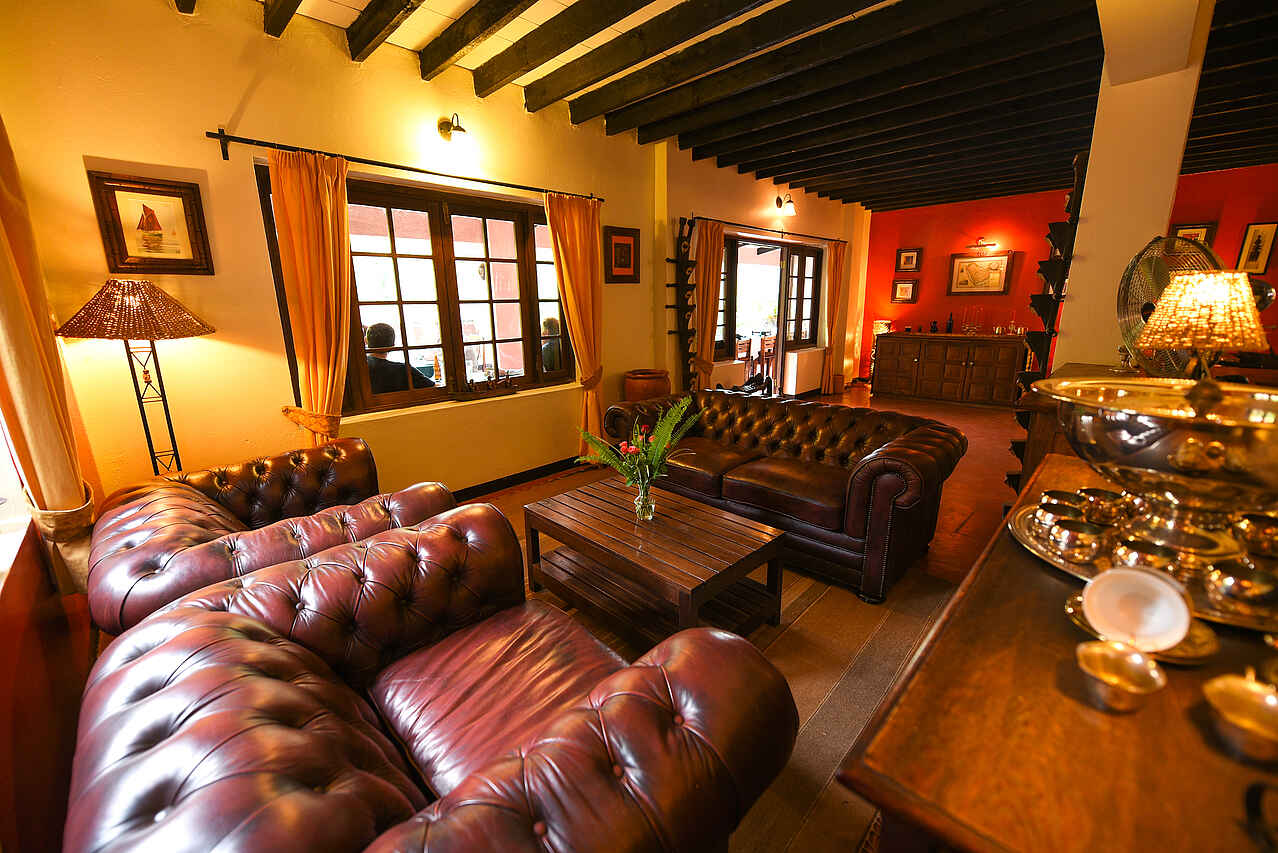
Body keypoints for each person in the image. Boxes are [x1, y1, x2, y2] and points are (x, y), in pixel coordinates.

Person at [365, 323, 434, 393]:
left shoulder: (362, 368)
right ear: (393, 346)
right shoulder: (403, 369)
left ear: (366, 341)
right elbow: (433, 388)